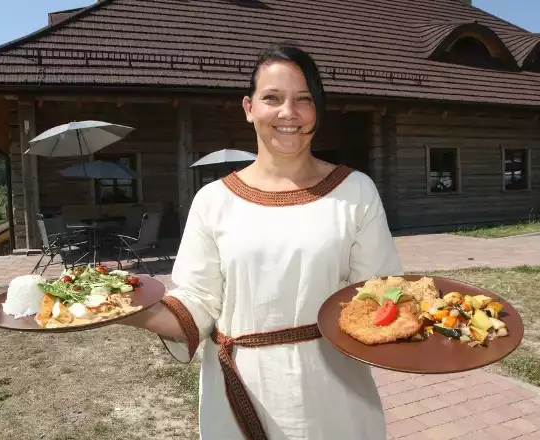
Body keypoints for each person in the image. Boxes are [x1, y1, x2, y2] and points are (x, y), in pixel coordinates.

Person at [120, 44, 404, 440]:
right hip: (242, 389)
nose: (289, 113)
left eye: (304, 99)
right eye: (272, 98)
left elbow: (380, 292)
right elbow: (197, 300)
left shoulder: (354, 190)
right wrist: (120, 308)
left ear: (317, 110)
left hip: (334, 388)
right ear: (249, 107)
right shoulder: (214, 200)